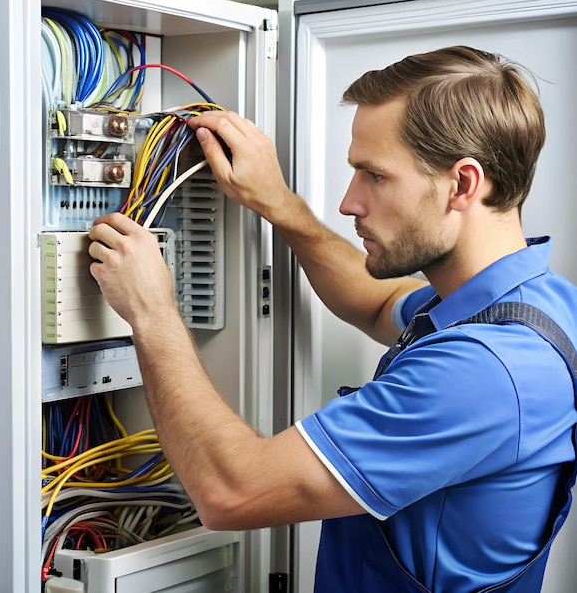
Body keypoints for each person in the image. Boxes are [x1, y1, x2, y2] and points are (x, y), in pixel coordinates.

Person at [88, 45, 577, 592]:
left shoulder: (485, 372)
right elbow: (372, 298)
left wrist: (152, 311)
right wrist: (278, 204)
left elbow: (230, 492)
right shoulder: (532, 304)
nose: (349, 203)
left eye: (374, 175)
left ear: (462, 183)